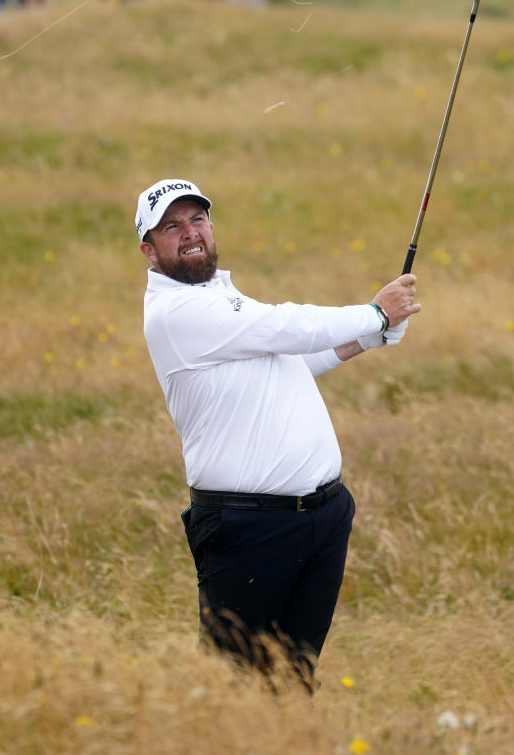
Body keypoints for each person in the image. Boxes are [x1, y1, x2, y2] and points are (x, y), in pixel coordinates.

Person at [136, 179, 419, 690]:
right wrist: (374, 313)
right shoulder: (176, 313)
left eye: (196, 219)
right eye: (171, 227)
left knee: (292, 683)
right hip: (247, 528)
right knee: (232, 687)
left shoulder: (219, 297)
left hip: (322, 518)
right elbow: (286, 327)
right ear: (149, 249)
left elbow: (292, 359)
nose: (189, 233)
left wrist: (369, 337)